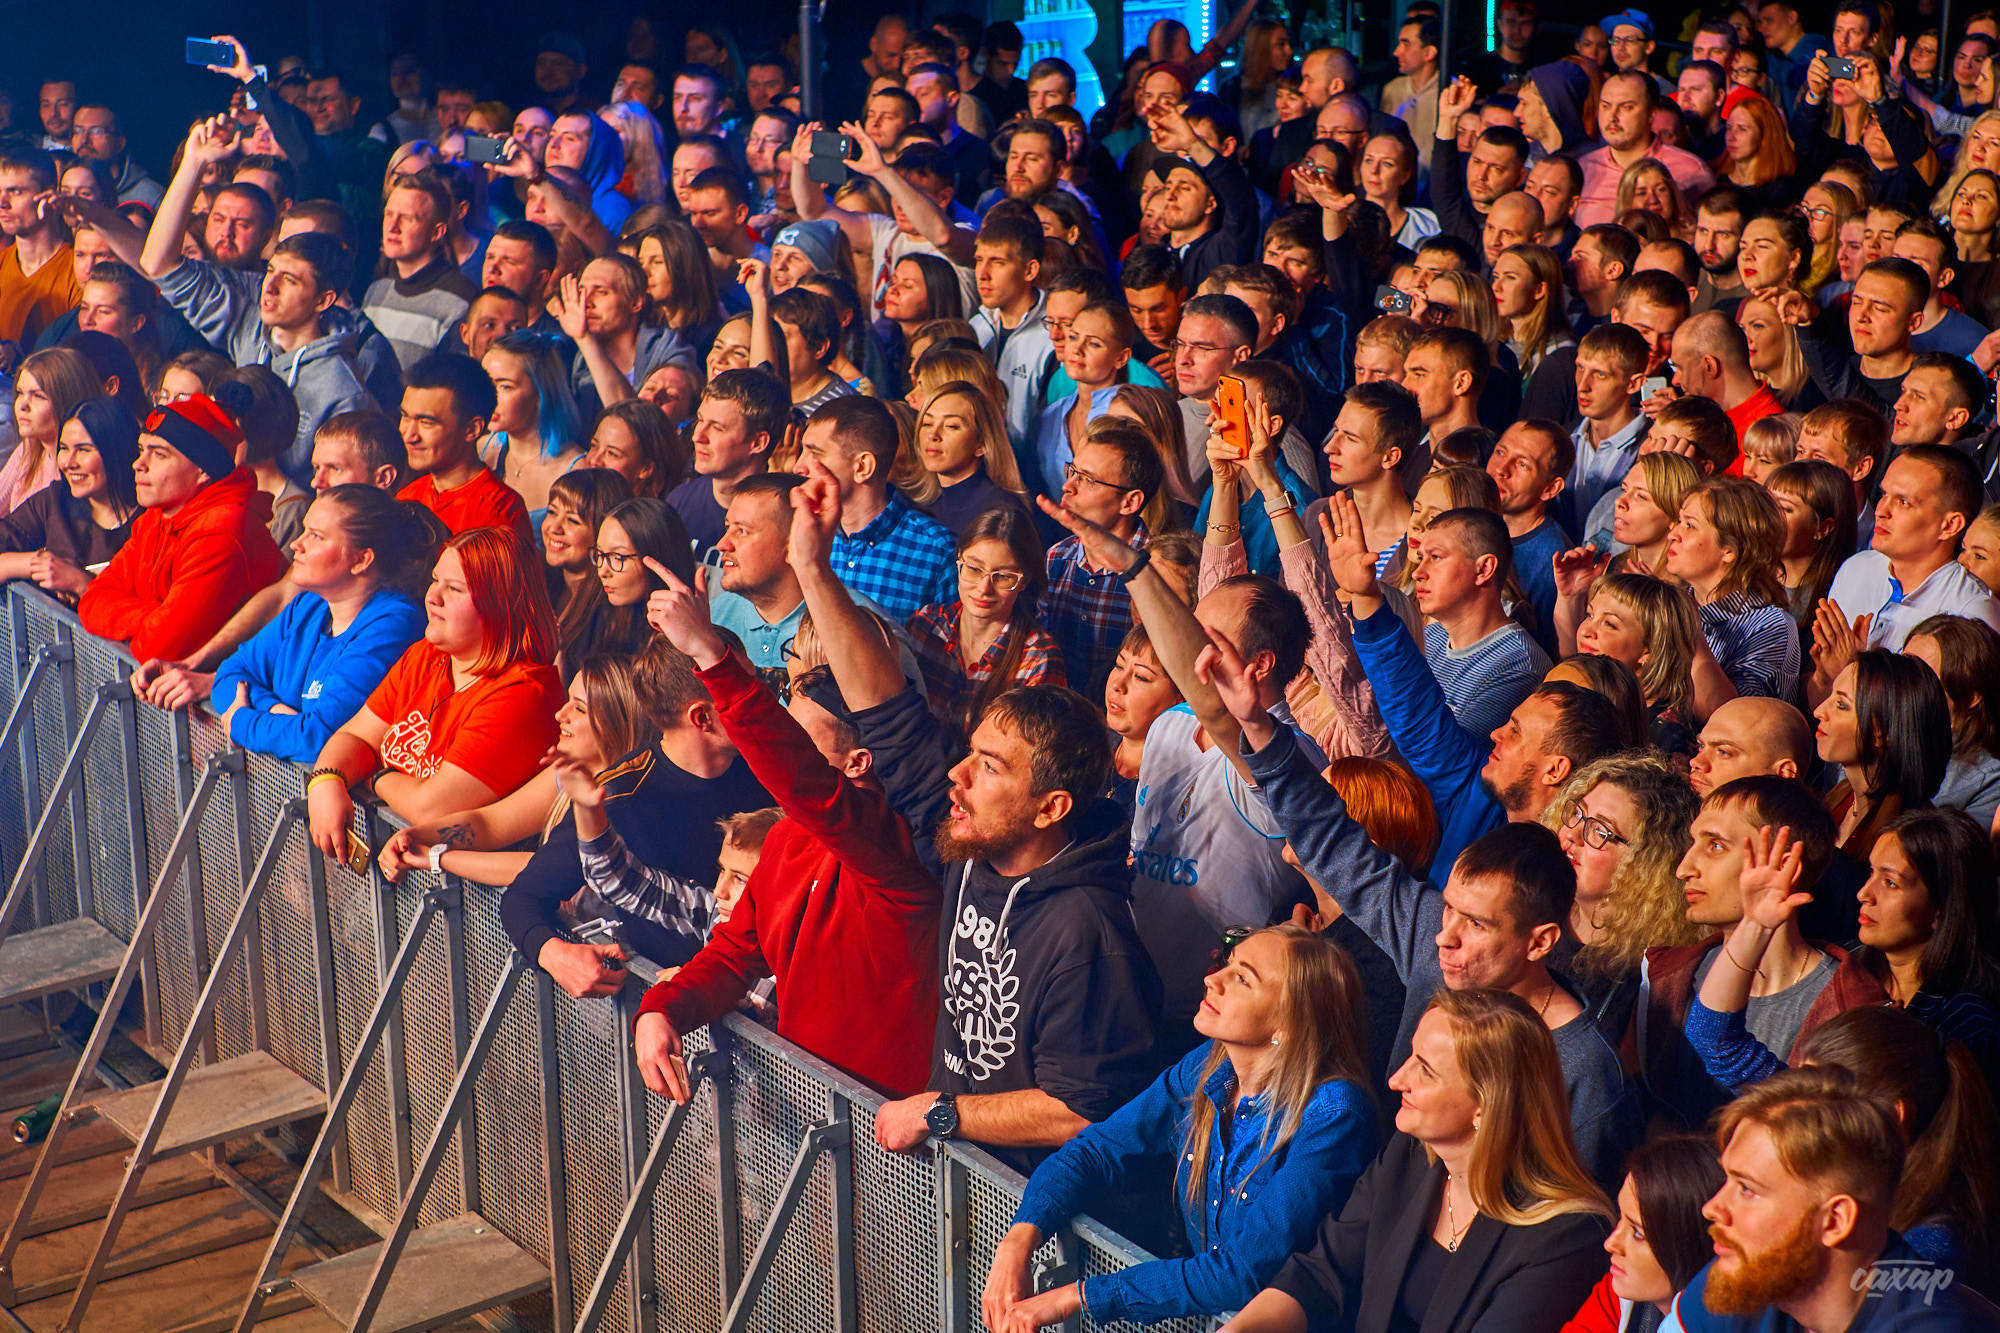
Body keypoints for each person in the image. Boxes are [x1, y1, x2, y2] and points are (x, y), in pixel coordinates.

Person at [985, 927, 1377, 1329]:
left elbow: (1241, 1272)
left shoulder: (1334, 1114)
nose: (1213, 979)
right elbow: (1096, 1150)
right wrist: (1017, 1242)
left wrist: (1078, 1296)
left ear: (1287, 1026)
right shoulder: (1209, 1064)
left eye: (1243, 979)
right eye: (1228, 964)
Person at [1223, 990, 1614, 1333]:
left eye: (1425, 1070)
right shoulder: (1409, 1157)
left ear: (1486, 1107)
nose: (1396, 1079)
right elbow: (1323, 1273)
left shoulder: (1565, 1236)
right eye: (1411, 1055)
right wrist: (1240, 1329)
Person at [1667, 1066, 1997, 1330]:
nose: (1711, 1208)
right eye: (1727, 1179)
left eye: (1747, 1189)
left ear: (1835, 1221)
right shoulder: (1750, 1276)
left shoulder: (1934, 1324)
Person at [1640, 776, 1887, 1126]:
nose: (1684, 868)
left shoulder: (1848, 1010)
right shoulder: (1666, 977)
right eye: (1694, 843)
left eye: (1715, 846)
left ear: (1785, 867)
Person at [305, 525, 563, 851]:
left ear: (500, 606)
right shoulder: (426, 656)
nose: (432, 597)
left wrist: (374, 775)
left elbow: (431, 808)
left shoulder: (523, 694)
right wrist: (327, 780)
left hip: (459, 880)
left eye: (454, 589)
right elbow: (356, 735)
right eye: (435, 579)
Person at [195, 486, 437, 762]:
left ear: (361, 560)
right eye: (304, 530)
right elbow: (229, 674)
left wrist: (240, 720)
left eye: (316, 536)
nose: (297, 544)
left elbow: (319, 738)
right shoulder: (308, 605)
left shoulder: (394, 624)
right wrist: (274, 711)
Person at [77, 389, 287, 662]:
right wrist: (156, 615)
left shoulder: (222, 532)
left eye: (159, 454)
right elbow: (91, 602)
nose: (138, 464)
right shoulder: (156, 517)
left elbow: (157, 648)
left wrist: (147, 621)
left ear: (203, 471)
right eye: (141, 450)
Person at [1823, 447, 2000, 662]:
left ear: (1949, 525)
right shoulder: (1857, 568)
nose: (1881, 511)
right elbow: (1818, 675)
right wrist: (1824, 675)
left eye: (1903, 502)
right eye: (1884, 494)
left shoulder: (1971, 612)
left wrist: (1853, 670)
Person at [906, 507, 1063, 736]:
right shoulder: (925, 625)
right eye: (973, 569)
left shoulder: (1037, 657)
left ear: (1024, 581)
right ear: (958, 560)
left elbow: (1033, 749)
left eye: (1003, 577)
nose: (984, 588)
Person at [1563, 1134, 1728, 1333]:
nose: (1611, 1243)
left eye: (1638, 1234)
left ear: (1690, 1244)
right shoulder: (1621, 1294)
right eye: (1621, 1217)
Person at [1666, 476, 1800, 699]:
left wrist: (1690, 634)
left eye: (1690, 525)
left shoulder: (1770, 626)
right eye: (1679, 521)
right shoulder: (1673, 601)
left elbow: (1731, 711)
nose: (1672, 534)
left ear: (1729, 550)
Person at [1814, 650, 1952, 858]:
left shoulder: (1906, 841)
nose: (1818, 711)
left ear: (1883, 732)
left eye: (1841, 705)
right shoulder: (1840, 795)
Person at [0, 396, 139, 601]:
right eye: (64, 449)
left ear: (116, 452)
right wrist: (39, 564)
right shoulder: (55, 500)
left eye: (83, 450)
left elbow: (147, 611)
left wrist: (79, 582)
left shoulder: (149, 522)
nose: (68, 463)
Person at [394, 353, 532, 541]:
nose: (409, 435)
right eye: (405, 417)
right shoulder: (408, 497)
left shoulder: (499, 511)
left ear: (472, 429)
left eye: (426, 422)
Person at [559, 496, 696, 677]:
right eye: (600, 554)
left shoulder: (680, 640)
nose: (602, 571)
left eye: (618, 557)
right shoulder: (593, 607)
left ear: (657, 558)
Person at [968, 208, 1055, 454]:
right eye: (979, 260)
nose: (983, 274)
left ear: (1030, 270)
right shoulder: (976, 326)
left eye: (998, 262)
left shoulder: (1053, 337)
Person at [1903, 616, 2000, 832]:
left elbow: (1945, 852)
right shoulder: (1876, 737)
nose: (1898, 685)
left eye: (1918, 677)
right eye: (1899, 669)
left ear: (1970, 696)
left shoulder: (1990, 782)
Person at [478, 331, 584, 527]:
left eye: (505, 387)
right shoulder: (482, 451)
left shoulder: (576, 470)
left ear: (541, 391)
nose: (488, 397)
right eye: (485, 383)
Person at [911, 378, 1030, 538]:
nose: (933, 435)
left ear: (981, 444)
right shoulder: (919, 506)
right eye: (927, 423)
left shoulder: (1001, 513)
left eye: (951, 426)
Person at [2, 346, 102, 518]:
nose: (22, 405)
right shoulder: (29, 448)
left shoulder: (80, 465)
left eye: (38, 396)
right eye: (20, 393)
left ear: (66, 400)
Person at [0, 149, 83, 347]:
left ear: (48, 195)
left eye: (16, 192)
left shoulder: (78, 269)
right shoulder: (2, 262)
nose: (2, 203)